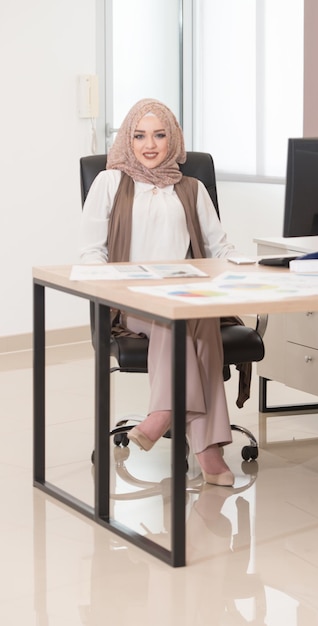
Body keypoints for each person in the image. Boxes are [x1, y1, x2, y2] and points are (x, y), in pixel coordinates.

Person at [79, 98, 238, 486]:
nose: (149, 145)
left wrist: (242, 269)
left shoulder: (192, 188)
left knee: (190, 315)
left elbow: (220, 249)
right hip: (132, 300)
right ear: (127, 141)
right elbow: (90, 252)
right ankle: (207, 447)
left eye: (159, 135)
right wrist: (116, 285)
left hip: (187, 297)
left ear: (174, 139)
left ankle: (165, 412)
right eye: (139, 135)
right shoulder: (109, 182)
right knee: (179, 318)